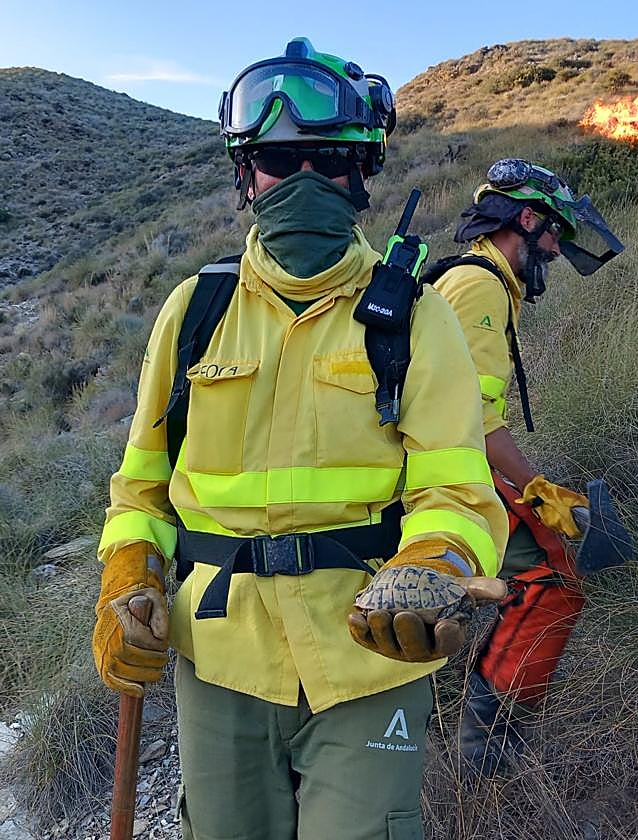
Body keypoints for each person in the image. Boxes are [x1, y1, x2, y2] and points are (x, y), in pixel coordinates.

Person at [91, 38, 508, 840]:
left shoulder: (418, 317)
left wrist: (436, 561)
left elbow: (457, 491)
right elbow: (140, 488)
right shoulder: (193, 313)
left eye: (327, 157)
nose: (305, 179)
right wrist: (127, 579)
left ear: (362, 171)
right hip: (219, 659)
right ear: (245, 173)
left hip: (369, 657)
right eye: (283, 159)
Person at [430, 159, 623, 774]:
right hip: (436, 470)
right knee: (554, 574)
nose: (556, 250)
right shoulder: (483, 285)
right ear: (528, 218)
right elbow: (476, 427)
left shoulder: (475, 279)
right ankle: (488, 748)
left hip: (437, 458)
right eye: (553, 235)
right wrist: (538, 489)